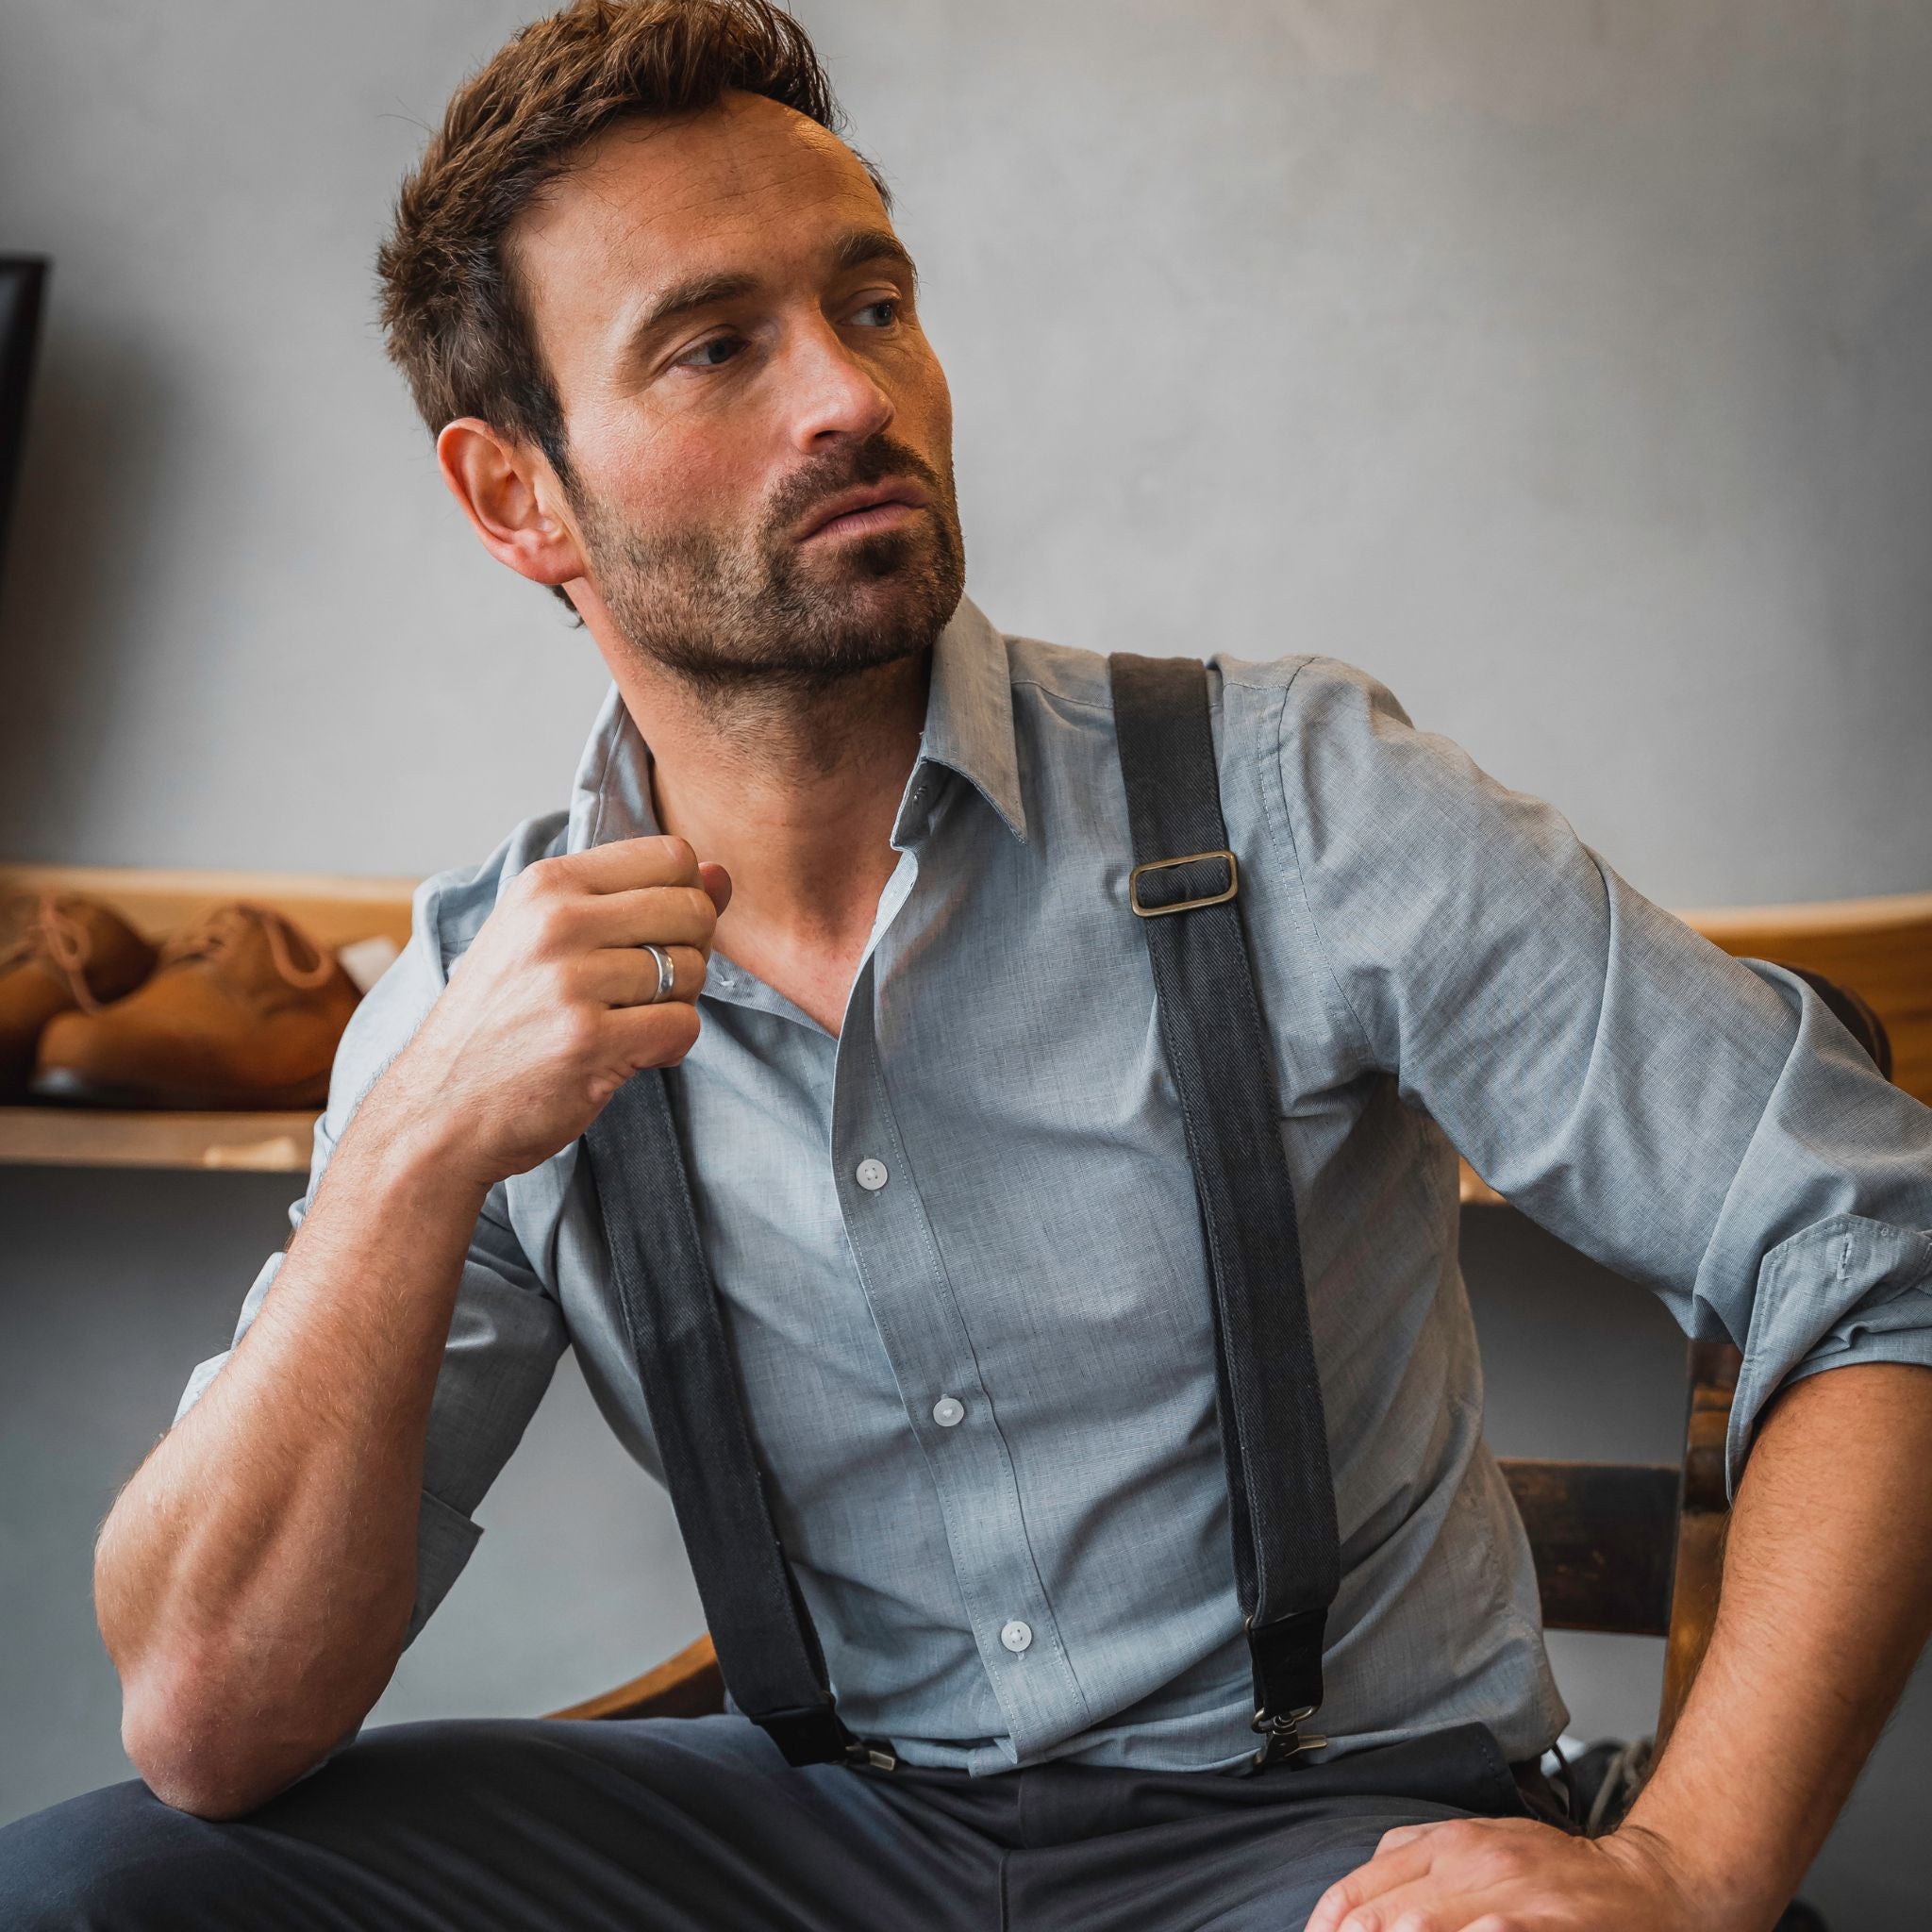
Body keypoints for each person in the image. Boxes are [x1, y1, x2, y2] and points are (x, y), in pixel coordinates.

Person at [6, 3, 1931, 1926]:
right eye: (715, 346)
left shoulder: (1295, 804)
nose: (847, 394)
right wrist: (412, 1153)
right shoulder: (474, 996)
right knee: (93, 1888)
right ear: (518, 494)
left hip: (1325, 1842)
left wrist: (1686, 1862)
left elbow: (1868, 1241)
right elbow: (206, 1719)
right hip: (824, 1841)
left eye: (869, 303)